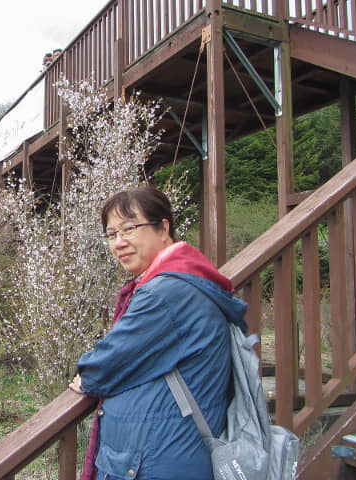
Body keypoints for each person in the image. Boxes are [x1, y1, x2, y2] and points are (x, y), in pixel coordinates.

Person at [69, 185, 247, 480]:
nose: (119, 243)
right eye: (112, 235)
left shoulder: (165, 292)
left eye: (129, 229)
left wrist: (86, 375)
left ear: (163, 228)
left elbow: (103, 366)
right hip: (165, 456)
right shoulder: (182, 280)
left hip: (158, 462)